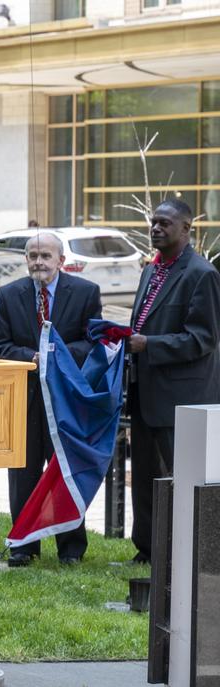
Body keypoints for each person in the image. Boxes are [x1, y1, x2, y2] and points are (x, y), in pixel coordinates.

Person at [0, 231, 102, 565]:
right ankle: (24, 546)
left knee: (63, 472)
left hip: (66, 401)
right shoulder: (9, 295)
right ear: (26, 259)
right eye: (33, 256)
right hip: (25, 399)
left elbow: (93, 342)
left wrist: (58, 355)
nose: (39, 262)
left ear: (61, 261)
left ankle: (71, 549)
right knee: (23, 474)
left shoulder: (86, 293)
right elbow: (1, 347)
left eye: (45, 256)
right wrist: (33, 356)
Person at [126, 198, 220, 563]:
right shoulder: (153, 270)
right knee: (147, 476)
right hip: (145, 392)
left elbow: (203, 338)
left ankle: (186, 552)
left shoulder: (202, 274)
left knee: (181, 479)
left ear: (186, 229)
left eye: (165, 223)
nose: (156, 229)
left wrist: (149, 344)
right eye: (153, 222)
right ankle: (148, 548)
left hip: (182, 396)